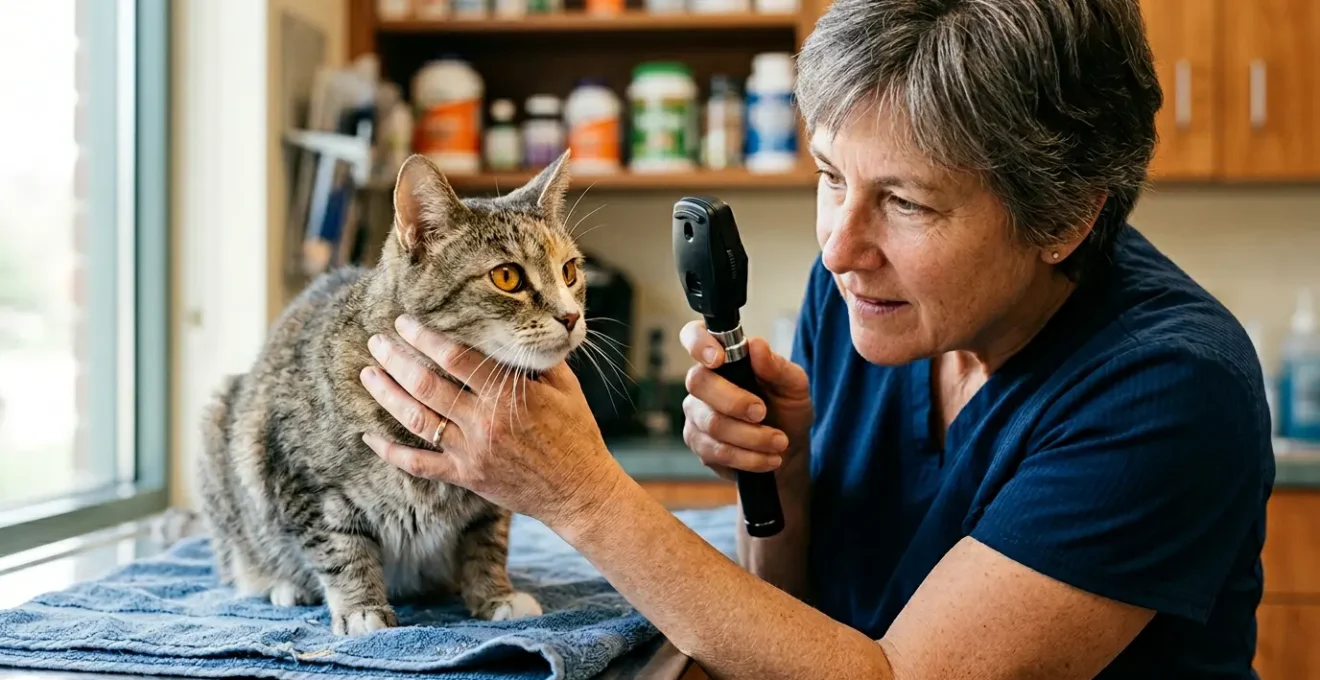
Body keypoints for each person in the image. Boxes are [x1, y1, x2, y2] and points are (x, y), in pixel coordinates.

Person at [356, 0, 1275, 677]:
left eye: (906, 201)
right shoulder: (869, 296)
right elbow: (794, 620)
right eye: (832, 175)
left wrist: (584, 496)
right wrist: (785, 481)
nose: (839, 248)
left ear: (1067, 217)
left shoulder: (1167, 390)